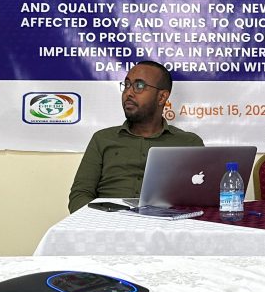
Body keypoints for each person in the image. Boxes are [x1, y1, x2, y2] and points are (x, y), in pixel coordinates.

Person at [67, 61, 203, 212]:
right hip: (109, 227)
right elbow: (80, 195)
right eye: (126, 85)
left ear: (162, 97)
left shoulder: (189, 143)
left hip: (166, 228)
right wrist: (105, 221)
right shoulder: (102, 139)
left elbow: (201, 199)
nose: (128, 93)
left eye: (139, 86)